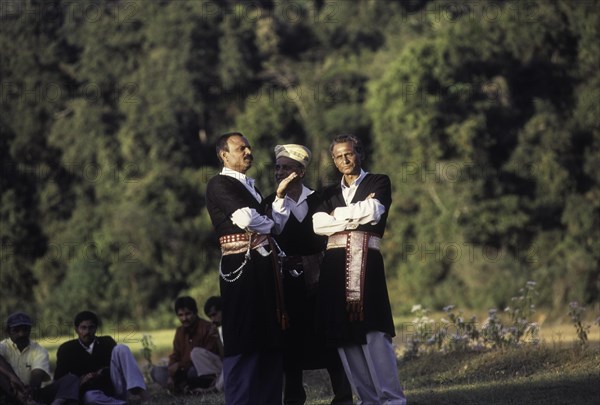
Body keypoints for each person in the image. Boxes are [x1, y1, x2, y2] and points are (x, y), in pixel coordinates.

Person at [312, 134, 407, 405]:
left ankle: (392, 399)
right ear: (333, 159)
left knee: (374, 331)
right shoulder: (326, 192)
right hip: (334, 268)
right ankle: (368, 400)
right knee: (344, 336)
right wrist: (356, 214)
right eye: (339, 156)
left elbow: (375, 212)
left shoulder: (379, 181)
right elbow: (318, 226)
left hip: (368, 265)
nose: (345, 160)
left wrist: (337, 216)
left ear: (359, 153)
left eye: (349, 154)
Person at [264, 144, 353, 405]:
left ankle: (344, 397)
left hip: (321, 280)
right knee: (289, 340)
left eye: (286, 167)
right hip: (285, 283)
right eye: (277, 167)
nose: (279, 172)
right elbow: (273, 231)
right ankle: (293, 399)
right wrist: (279, 198)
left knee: (329, 336)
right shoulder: (270, 202)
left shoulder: (321, 199)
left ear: (300, 172)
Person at [205, 132, 286, 405]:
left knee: (269, 337)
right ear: (224, 155)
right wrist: (270, 224)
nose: (248, 151)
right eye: (241, 148)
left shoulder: (251, 187)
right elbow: (246, 219)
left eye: (249, 147)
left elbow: (260, 219)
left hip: (264, 267)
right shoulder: (218, 183)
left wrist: (268, 218)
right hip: (240, 268)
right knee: (244, 336)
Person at [53, 311, 148, 405]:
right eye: (83, 328)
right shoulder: (66, 349)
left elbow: (116, 369)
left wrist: (101, 372)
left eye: (91, 328)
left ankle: (143, 396)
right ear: (76, 330)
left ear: (96, 329)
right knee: (90, 398)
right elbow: (59, 380)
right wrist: (81, 380)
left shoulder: (107, 342)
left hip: (113, 386)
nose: (87, 332)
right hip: (90, 392)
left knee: (121, 348)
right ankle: (122, 404)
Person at [0, 312, 78, 405]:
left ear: (30, 330)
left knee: (71, 379)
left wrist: (31, 388)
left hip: (31, 393)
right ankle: (23, 400)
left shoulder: (39, 350)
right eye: (16, 330)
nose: (21, 334)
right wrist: (12, 377)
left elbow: (37, 374)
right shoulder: (2, 347)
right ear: (8, 332)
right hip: (8, 393)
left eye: (25, 329)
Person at [150, 296, 223, 394]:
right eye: (181, 315)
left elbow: (205, 358)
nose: (184, 318)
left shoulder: (207, 328)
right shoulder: (179, 331)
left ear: (195, 312)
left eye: (188, 314)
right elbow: (175, 355)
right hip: (183, 371)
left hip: (200, 371)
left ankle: (184, 386)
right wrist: (171, 375)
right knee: (156, 371)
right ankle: (183, 386)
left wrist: (180, 365)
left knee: (192, 372)